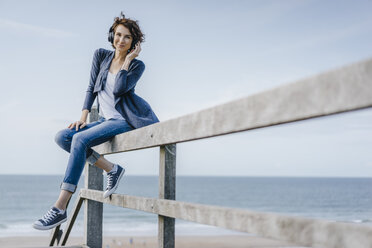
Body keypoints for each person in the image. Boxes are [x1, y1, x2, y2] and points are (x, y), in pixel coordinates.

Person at [33, 12, 159, 230]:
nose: (121, 40)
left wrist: (127, 60)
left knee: (80, 140)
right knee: (63, 137)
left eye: (127, 37)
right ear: (112, 35)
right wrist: (82, 117)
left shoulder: (137, 66)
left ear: (134, 43)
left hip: (124, 120)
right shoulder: (101, 56)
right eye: (118, 35)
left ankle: (60, 207)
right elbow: (91, 87)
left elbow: (120, 88)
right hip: (103, 119)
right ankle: (111, 168)